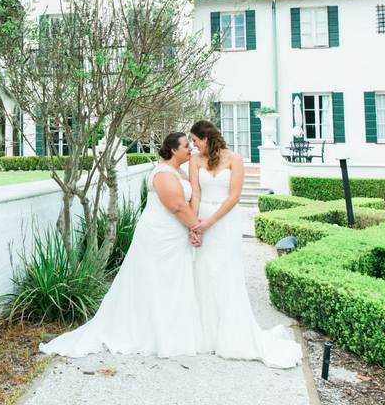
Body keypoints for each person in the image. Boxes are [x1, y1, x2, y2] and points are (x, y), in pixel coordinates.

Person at [40, 132, 203, 357]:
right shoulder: (164, 173)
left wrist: (192, 227)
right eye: (186, 146)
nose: (190, 149)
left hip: (174, 234)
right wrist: (197, 227)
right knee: (155, 280)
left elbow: (189, 200)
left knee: (171, 280)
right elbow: (176, 206)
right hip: (159, 235)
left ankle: (171, 328)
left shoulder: (180, 171)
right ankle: (150, 332)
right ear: (173, 149)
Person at [189, 119, 302, 368]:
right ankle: (206, 334)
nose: (194, 146)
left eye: (196, 141)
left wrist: (210, 222)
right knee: (204, 273)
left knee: (226, 273)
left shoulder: (234, 159)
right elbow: (196, 194)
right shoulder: (195, 161)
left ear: (206, 138)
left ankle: (230, 333)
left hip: (225, 222)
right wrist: (194, 225)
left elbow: (234, 196)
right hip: (202, 218)